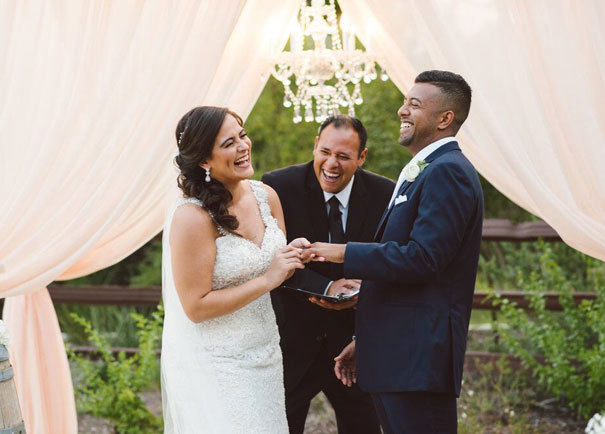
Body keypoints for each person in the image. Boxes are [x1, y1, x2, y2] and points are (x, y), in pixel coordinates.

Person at [308, 71, 484, 433]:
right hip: (398, 356)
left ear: (445, 119)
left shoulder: (448, 172)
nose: (402, 110)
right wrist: (366, 340)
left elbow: (423, 258)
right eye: (405, 101)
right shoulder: (426, 169)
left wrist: (342, 252)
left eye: (414, 104)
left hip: (417, 361)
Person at [160, 106, 308, 433]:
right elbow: (196, 307)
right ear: (204, 161)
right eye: (229, 143)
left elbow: (278, 266)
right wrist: (268, 279)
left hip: (266, 351)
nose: (243, 146)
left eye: (242, 135)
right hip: (217, 362)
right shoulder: (192, 217)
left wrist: (292, 256)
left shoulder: (266, 196)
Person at [262, 115, 394, 434]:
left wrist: (362, 295)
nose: (331, 164)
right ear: (314, 147)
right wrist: (328, 286)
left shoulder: (384, 193)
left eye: (343, 156)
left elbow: (389, 262)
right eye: (325, 152)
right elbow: (270, 258)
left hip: (353, 345)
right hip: (291, 341)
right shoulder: (278, 186)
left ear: (362, 157)